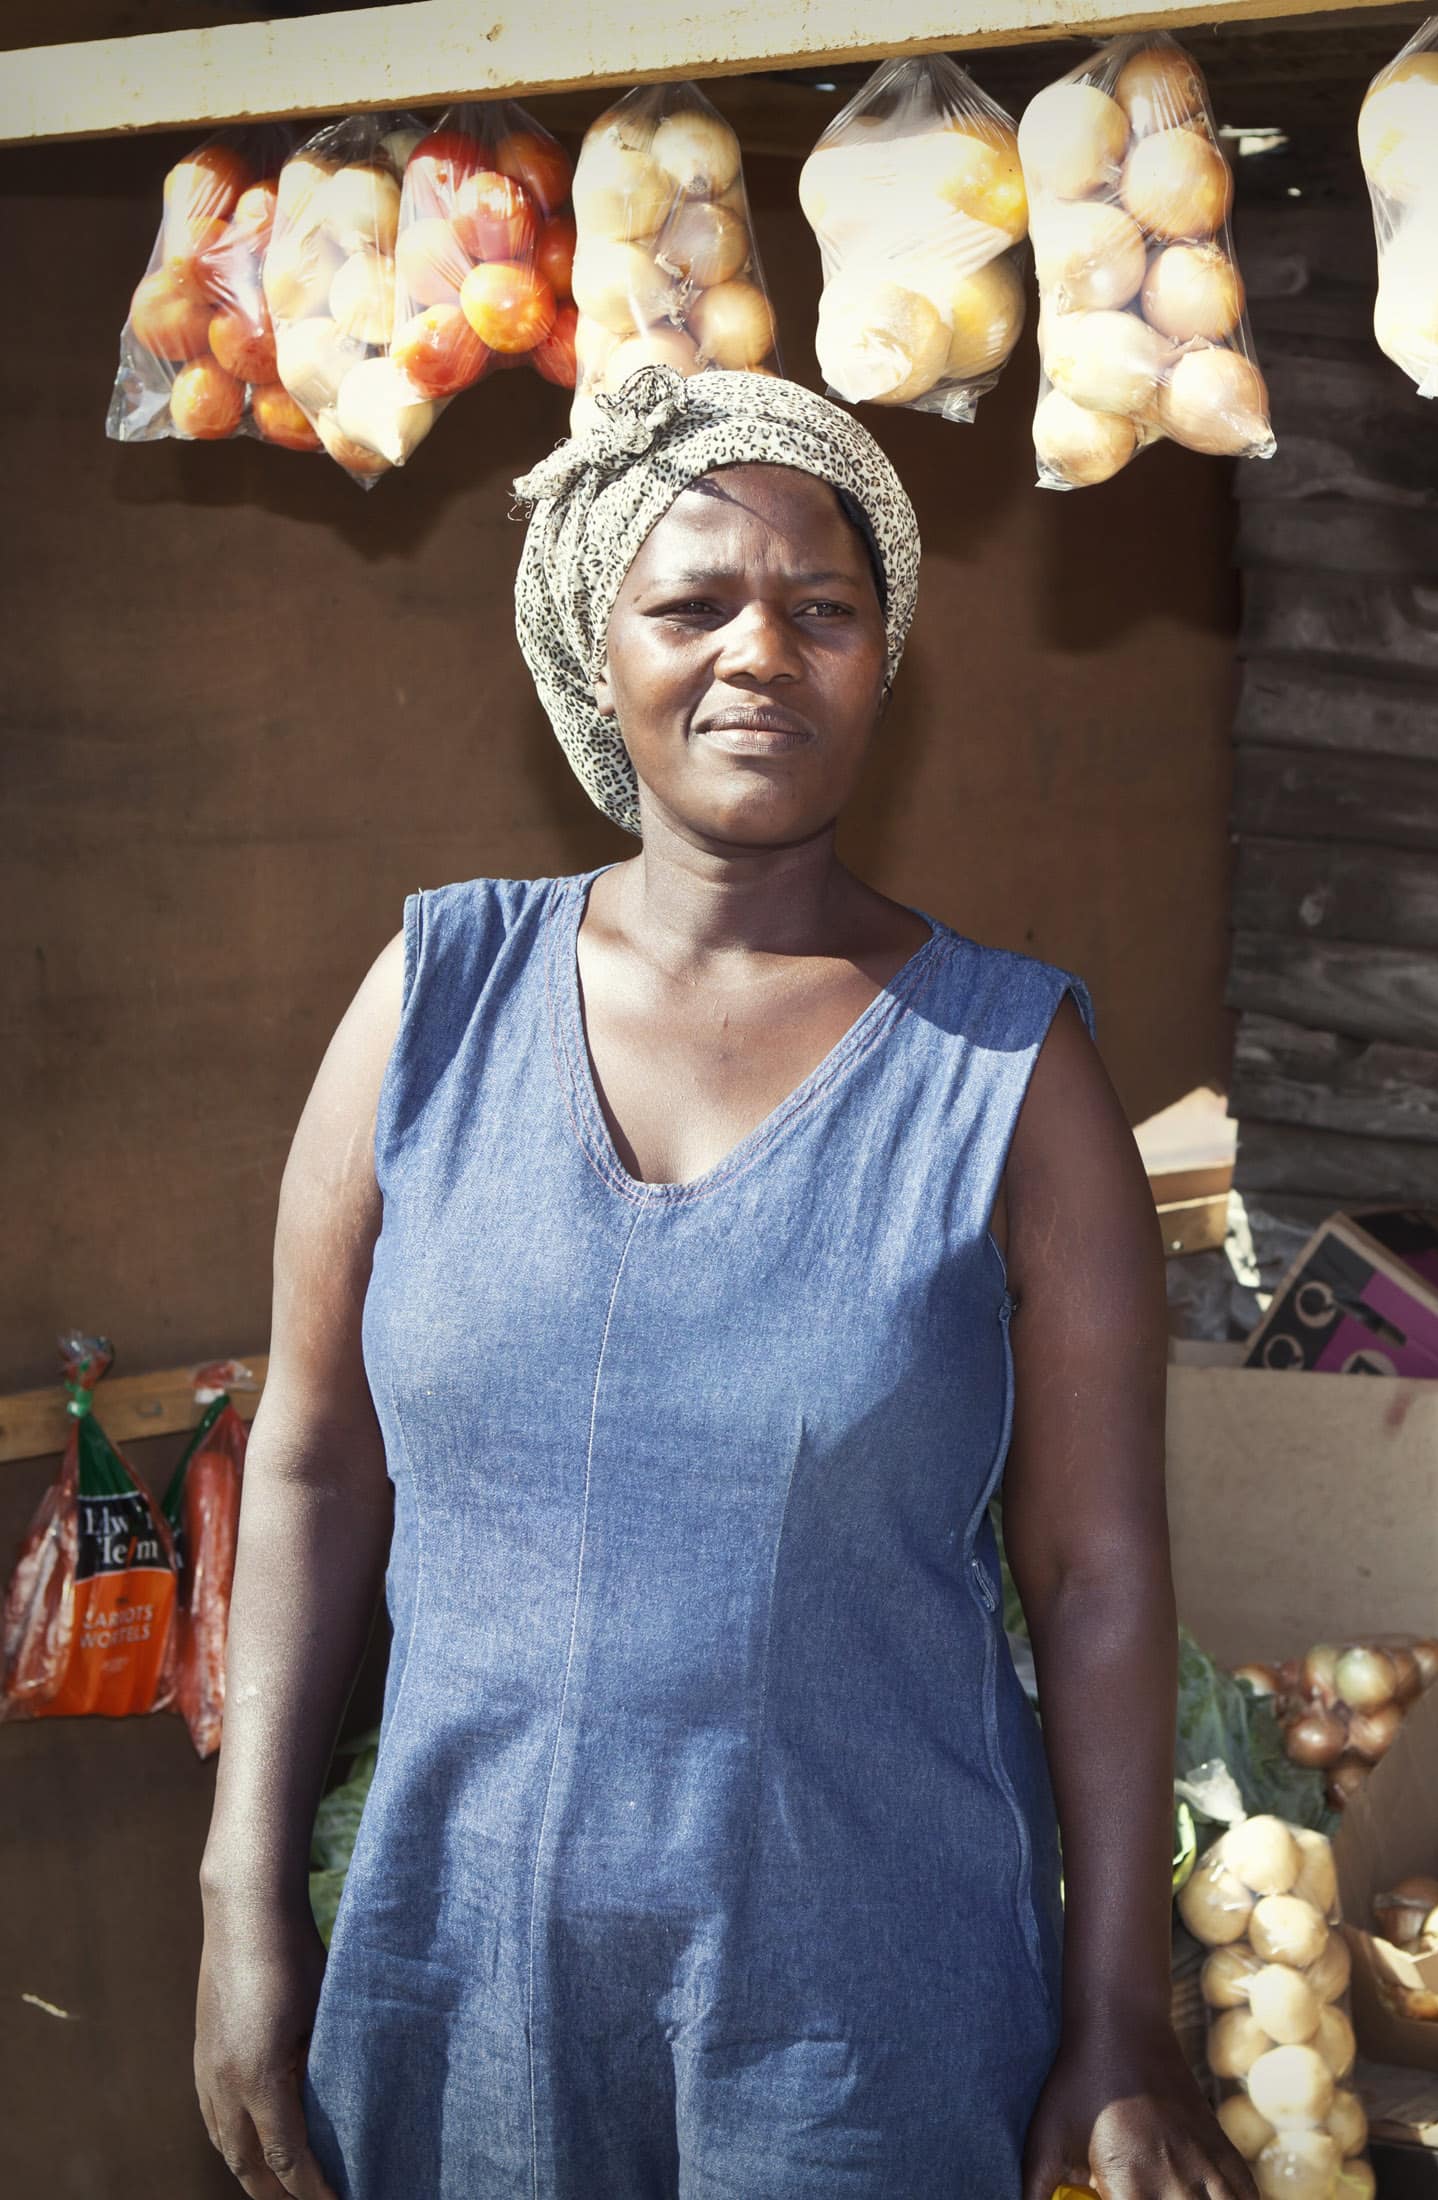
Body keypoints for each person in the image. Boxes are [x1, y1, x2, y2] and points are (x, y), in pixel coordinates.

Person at [191, 367, 1257, 2200]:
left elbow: (1095, 1574)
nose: (760, 651)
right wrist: (242, 1894)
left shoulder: (1005, 1069)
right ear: (597, 659)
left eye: (823, 610)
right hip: (465, 1969)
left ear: (883, 661)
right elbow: (308, 1463)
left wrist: (1120, 2008)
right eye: (692, 605)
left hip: (856, 1999)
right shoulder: (432, 1001)